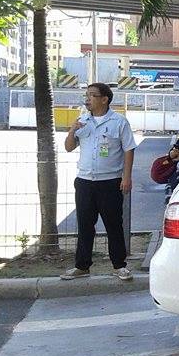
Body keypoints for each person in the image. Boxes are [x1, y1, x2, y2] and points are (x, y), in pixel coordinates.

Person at [61, 83, 137, 281]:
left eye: (92, 95)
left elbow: (129, 149)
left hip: (110, 182)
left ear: (105, 99)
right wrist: (71, 130)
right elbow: (69, 147)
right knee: (85, 224)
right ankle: (82, 266)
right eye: (86, 95)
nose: (88, 99)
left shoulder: (119, 122)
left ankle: (119, 265)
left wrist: (126, 177)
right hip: (85, 181)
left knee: (114, 224)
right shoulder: (82, 121)